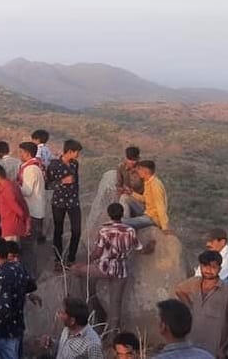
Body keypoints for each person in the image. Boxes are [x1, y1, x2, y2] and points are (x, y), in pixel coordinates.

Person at [70, 203, 141, 336]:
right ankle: (112, 336)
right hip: (121, 270)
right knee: (116, 304)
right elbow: (139, 248)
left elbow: (97, 253)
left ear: (109, 214)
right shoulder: (130, 230)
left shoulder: (104, 230)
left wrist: (84, 263)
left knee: (77, 271)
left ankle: (91, 307)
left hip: (104, 267)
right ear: (122, 214)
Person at [174, 251, 228, 358]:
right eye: (205, 266)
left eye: (213, 267)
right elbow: (179, 290)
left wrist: (224, 348)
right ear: (200, 266)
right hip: (193, 344)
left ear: (219, 268)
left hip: (214, 349)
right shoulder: (194, 283)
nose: (209, 270)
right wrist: (190, 306)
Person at [0, 237, 35, 359]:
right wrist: (19, 293)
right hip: (18, 325)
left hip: (6, 331)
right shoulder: (19, 268)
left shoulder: (3, 274)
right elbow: (31, 285)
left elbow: (4, 307)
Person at [47, 139, 83, 267]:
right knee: (58, 230)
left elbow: (76, 182)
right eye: (77, 152)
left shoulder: (75, 164)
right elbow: (48, 185)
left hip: (73, 201)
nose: (78, 155)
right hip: (59, 202)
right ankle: (58, 259)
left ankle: (71, 258)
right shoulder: (54, 165)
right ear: (69, 151)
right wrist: (62, 181)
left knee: (77, 230)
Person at [120, 160, 171, 243]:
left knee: (120, 223)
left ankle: (125, 225)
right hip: (147, 211)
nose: (138, 171)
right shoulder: (148, 181)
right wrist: (132, 193)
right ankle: (126, 220)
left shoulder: (155, 186)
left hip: (152, 218)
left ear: (145, 171)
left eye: (139, 169)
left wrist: (165, 227)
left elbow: (160, 207)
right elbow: (145, 199)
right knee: (125, 197)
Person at [195, 229, 228, 312]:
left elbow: (212, 278)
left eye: (211, 241)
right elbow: (198, 277)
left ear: (222, 242)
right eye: (207, 241)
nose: (208, 244)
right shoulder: (210, 256)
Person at [17, 142, 46, 274]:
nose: (20, 155)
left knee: (27, 246)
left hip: (32, 212)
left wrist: (14, 187)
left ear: (28, 154)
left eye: (22, 152)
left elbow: (27, 191)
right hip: (36, 211)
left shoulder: (30, 169)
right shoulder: (35, 167)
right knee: (29, 245)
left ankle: (29, 274)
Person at [0, 164, 29, 243]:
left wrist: (25, 221)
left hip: (11, 225)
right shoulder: (12, 185)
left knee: (10, 251)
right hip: (12, 224)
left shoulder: (7, 190)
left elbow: (18, 210)